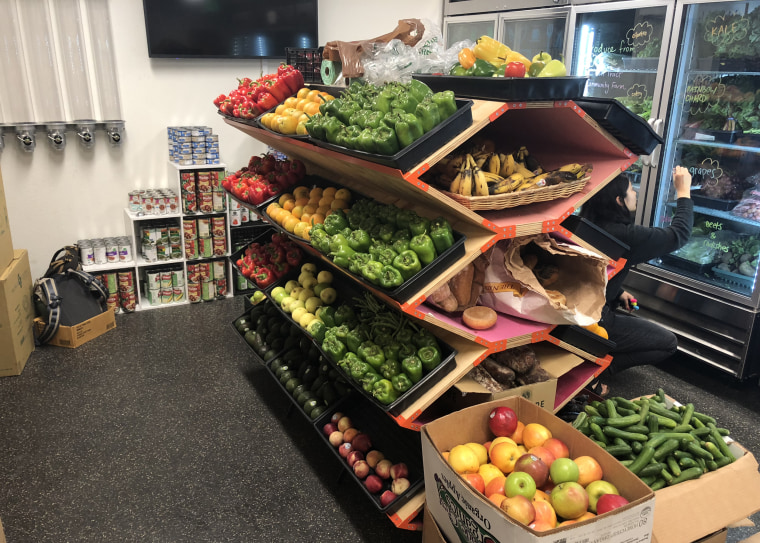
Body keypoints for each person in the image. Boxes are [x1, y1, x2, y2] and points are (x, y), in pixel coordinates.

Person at [579, 166, 694, 379]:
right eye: (632, 190)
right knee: (668, 343)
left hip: (573, 313)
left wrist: (618, 291)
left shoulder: (587, 222)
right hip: (596, 320)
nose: (636, 194)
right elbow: (679, 234)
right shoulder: (624, 235)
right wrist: (683, 192)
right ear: (618, 201)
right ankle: (598, 373)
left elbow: (592, 271)